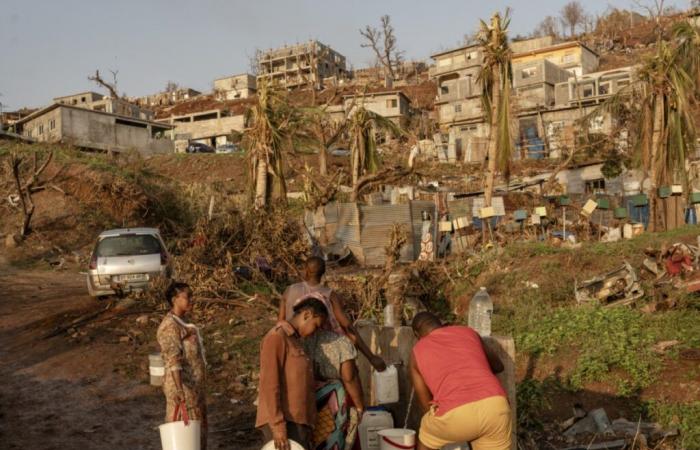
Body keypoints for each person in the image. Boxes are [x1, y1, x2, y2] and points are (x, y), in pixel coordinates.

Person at [280, 257, 386, 449]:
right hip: (327, 376)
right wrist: (371, 357)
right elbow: (347, 325)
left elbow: (280, 324)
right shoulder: (328, 296)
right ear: (324, 273)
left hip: (294, 371)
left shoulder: (289, 292)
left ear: (304, 269)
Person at [409, 312, 512, 450]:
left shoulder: (417, 351)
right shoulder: (468, 332)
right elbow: (498, 366)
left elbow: (425, 404)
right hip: (496, 407)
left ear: (416, 335)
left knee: (426, 434)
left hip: (455, 415)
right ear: (441, 323)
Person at [257, 297, 329, 450]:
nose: (315, 332)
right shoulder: (276, 337)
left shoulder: (296, 342)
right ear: (307, 315)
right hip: (284, 422)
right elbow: (270, 385)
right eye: (316, 326)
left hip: (298, 421)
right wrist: (278, 427)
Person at [157, 282, 208, 450]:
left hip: (194, 390)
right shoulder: (170, 326)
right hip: (183, 391)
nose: (191, 300)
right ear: (174, 300)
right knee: (185, 438)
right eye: (187, 297)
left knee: (196, 436)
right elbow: (173, 360)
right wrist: (180, 390)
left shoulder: (183, 322)